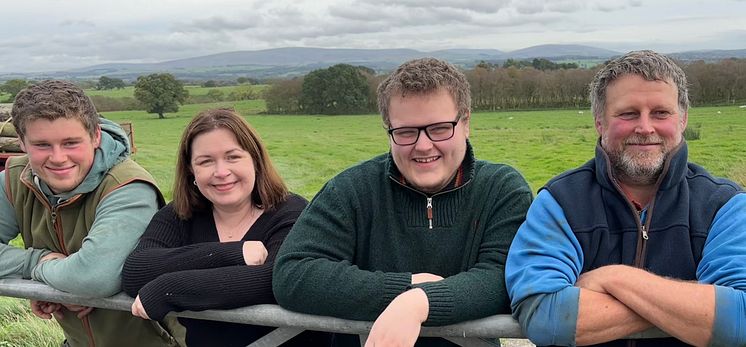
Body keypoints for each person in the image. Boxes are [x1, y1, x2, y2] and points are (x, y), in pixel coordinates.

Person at [273, 58, 533, 346]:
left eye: (439, 128)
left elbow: (503, 278)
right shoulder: (351, 189)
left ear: (466, 123)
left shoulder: (501, 190)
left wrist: (419, 303)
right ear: (389, 130)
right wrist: (402, 288)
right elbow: (294, 274)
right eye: (406, 132)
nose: (423, 145)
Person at [506, 50, 746, 347]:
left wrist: (615, 279)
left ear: (682, 120)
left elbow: (741, 319)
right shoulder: (560, 202)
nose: (645, 128)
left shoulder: (725, 205)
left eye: (661, 113)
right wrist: (693, 306)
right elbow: (544, 314)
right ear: (599, 122)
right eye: (628, 113)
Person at [122, 108, 330, 347]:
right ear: (191, 170)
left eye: (233, 157)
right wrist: (234, 253)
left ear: (255, 160)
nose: (221, 172)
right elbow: (136, 270)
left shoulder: (292, 212)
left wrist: (170, 288)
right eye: (206, 161)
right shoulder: (180, 213)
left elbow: (276, 279)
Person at [0, 80, 178, 346]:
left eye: (71, 142)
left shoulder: (127, 187)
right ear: (23, 143)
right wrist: (40, 264)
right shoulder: (15, 180)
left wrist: (46, 274)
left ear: (96, 136)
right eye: (42, 145)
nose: (58, 157)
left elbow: (94, 277)